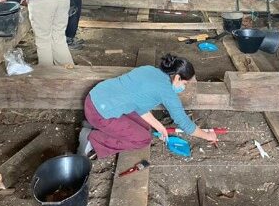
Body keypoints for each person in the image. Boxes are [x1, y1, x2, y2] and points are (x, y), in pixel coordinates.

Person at [78, 54, 218, 158]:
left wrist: (159, 126)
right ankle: (93, 138)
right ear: (177, 77)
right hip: (99, 112)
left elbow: (139, 104)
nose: (184, 87)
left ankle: (96, 126)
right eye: (185, 84)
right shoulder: (166, 91)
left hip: (96, 96)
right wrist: (208, 136)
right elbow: (184, 123)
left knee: (145, 128)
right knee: (143, 139)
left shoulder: (149, 69)